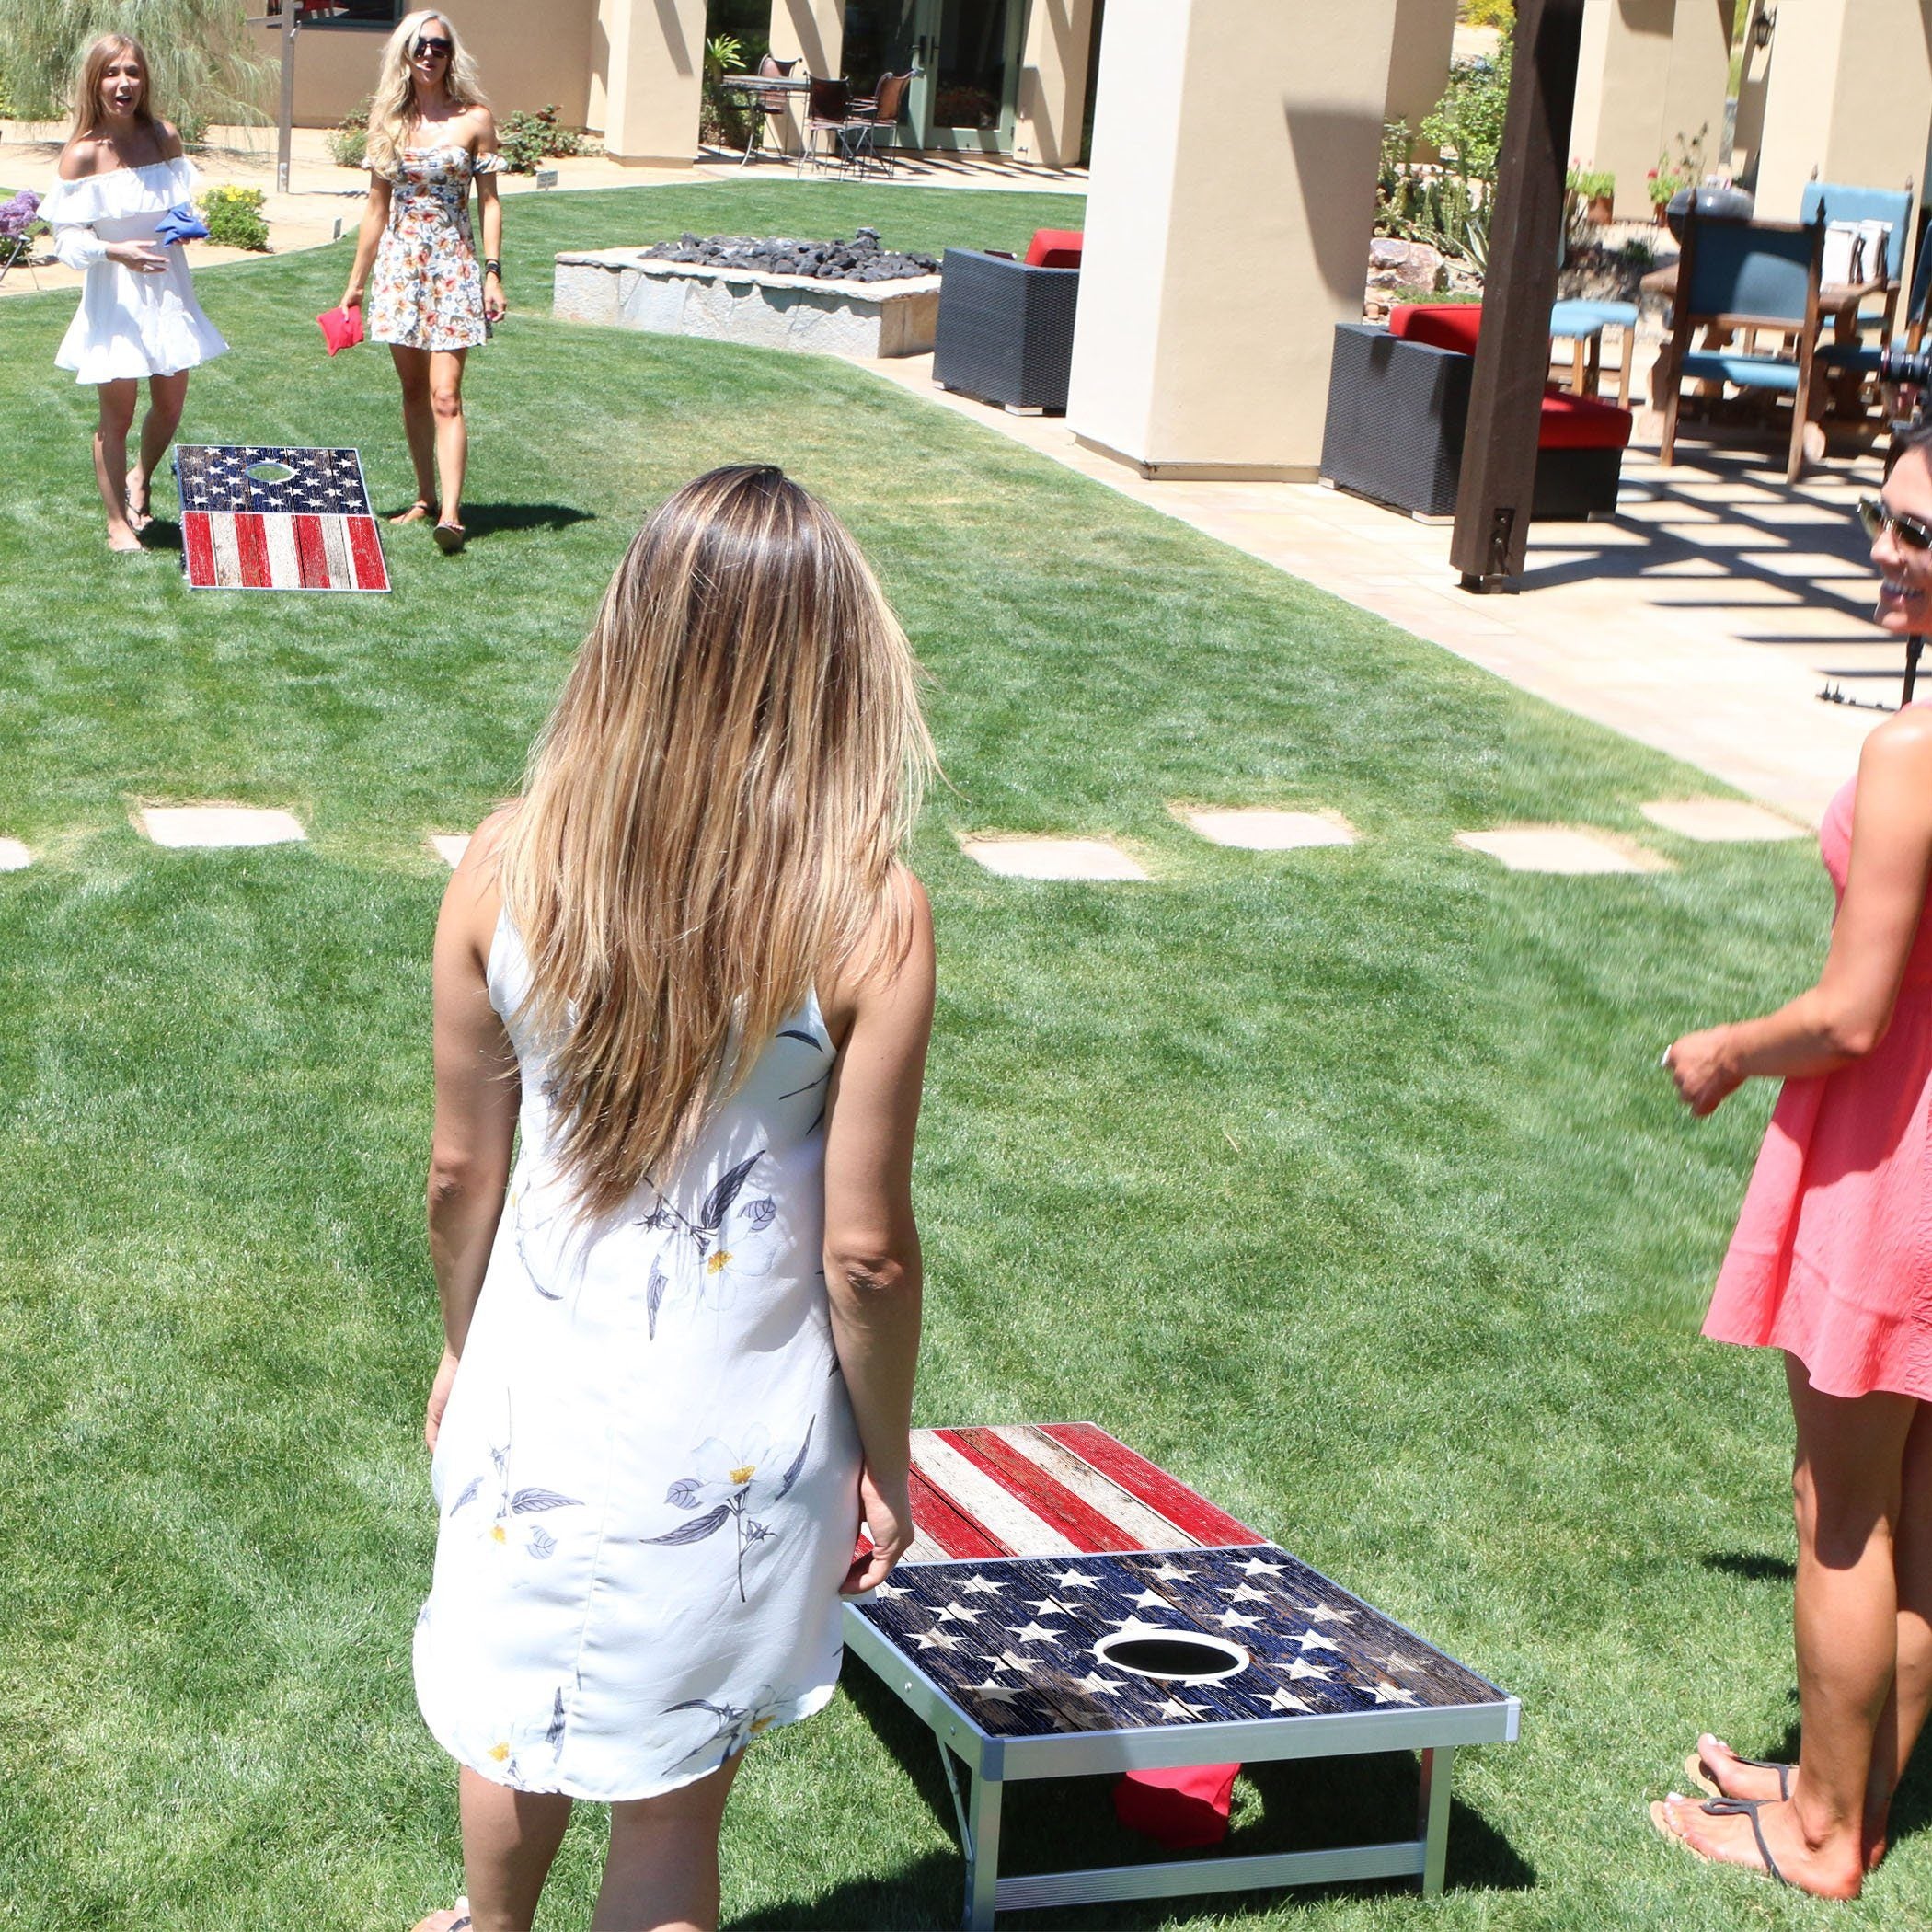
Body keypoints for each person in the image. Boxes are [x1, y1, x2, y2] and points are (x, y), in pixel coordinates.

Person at [408, 465, 936, 1932]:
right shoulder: (866, 907)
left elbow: (463, 1172)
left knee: (518, 1706)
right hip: (737, 1432)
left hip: (537, 1389)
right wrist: (886, 1455)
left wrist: (462, 1344)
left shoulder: (508, 862)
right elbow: (868, 1254)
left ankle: (489, 1925)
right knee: (671, 1792)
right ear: (835, 661)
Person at [1653, 427, 1932, 1899]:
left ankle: (1820, 1834)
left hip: (1896, 1176)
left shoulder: (1911, 752)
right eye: (1881, 520)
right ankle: (1854, 1796)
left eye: (1919, 537)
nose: (1886, 552)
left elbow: (1853, 1012)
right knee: (1922, 1514)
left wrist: (1727, 1050)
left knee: (1843, 1513)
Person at [40, 33, 227, 554]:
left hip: (169, 292)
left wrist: (190, 223)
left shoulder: (164, 137)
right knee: (115, 417)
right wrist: (116, 251)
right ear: (94, 81)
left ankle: (140, 479)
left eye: (133, 73)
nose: (124, 83)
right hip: (115, 297)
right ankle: (117, 523)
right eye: (111, 73)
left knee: (170, 406)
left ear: (145, 80)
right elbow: (69, 244)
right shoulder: (82, 155)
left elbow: (180, 205)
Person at [340, 11, 505, 555]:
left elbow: (490, 203)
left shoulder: (475, 119)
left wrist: (493, 273)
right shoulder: (388, 121)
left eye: (437, 45)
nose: (429, 53)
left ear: (450, 52)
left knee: (445, 395)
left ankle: (453, 516)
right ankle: (423, 497)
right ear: (404, 55)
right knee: (412, 391)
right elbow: (375, 208)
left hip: (453, 269)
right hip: (400, 270)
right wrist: (356, 284)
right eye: (419, 45)